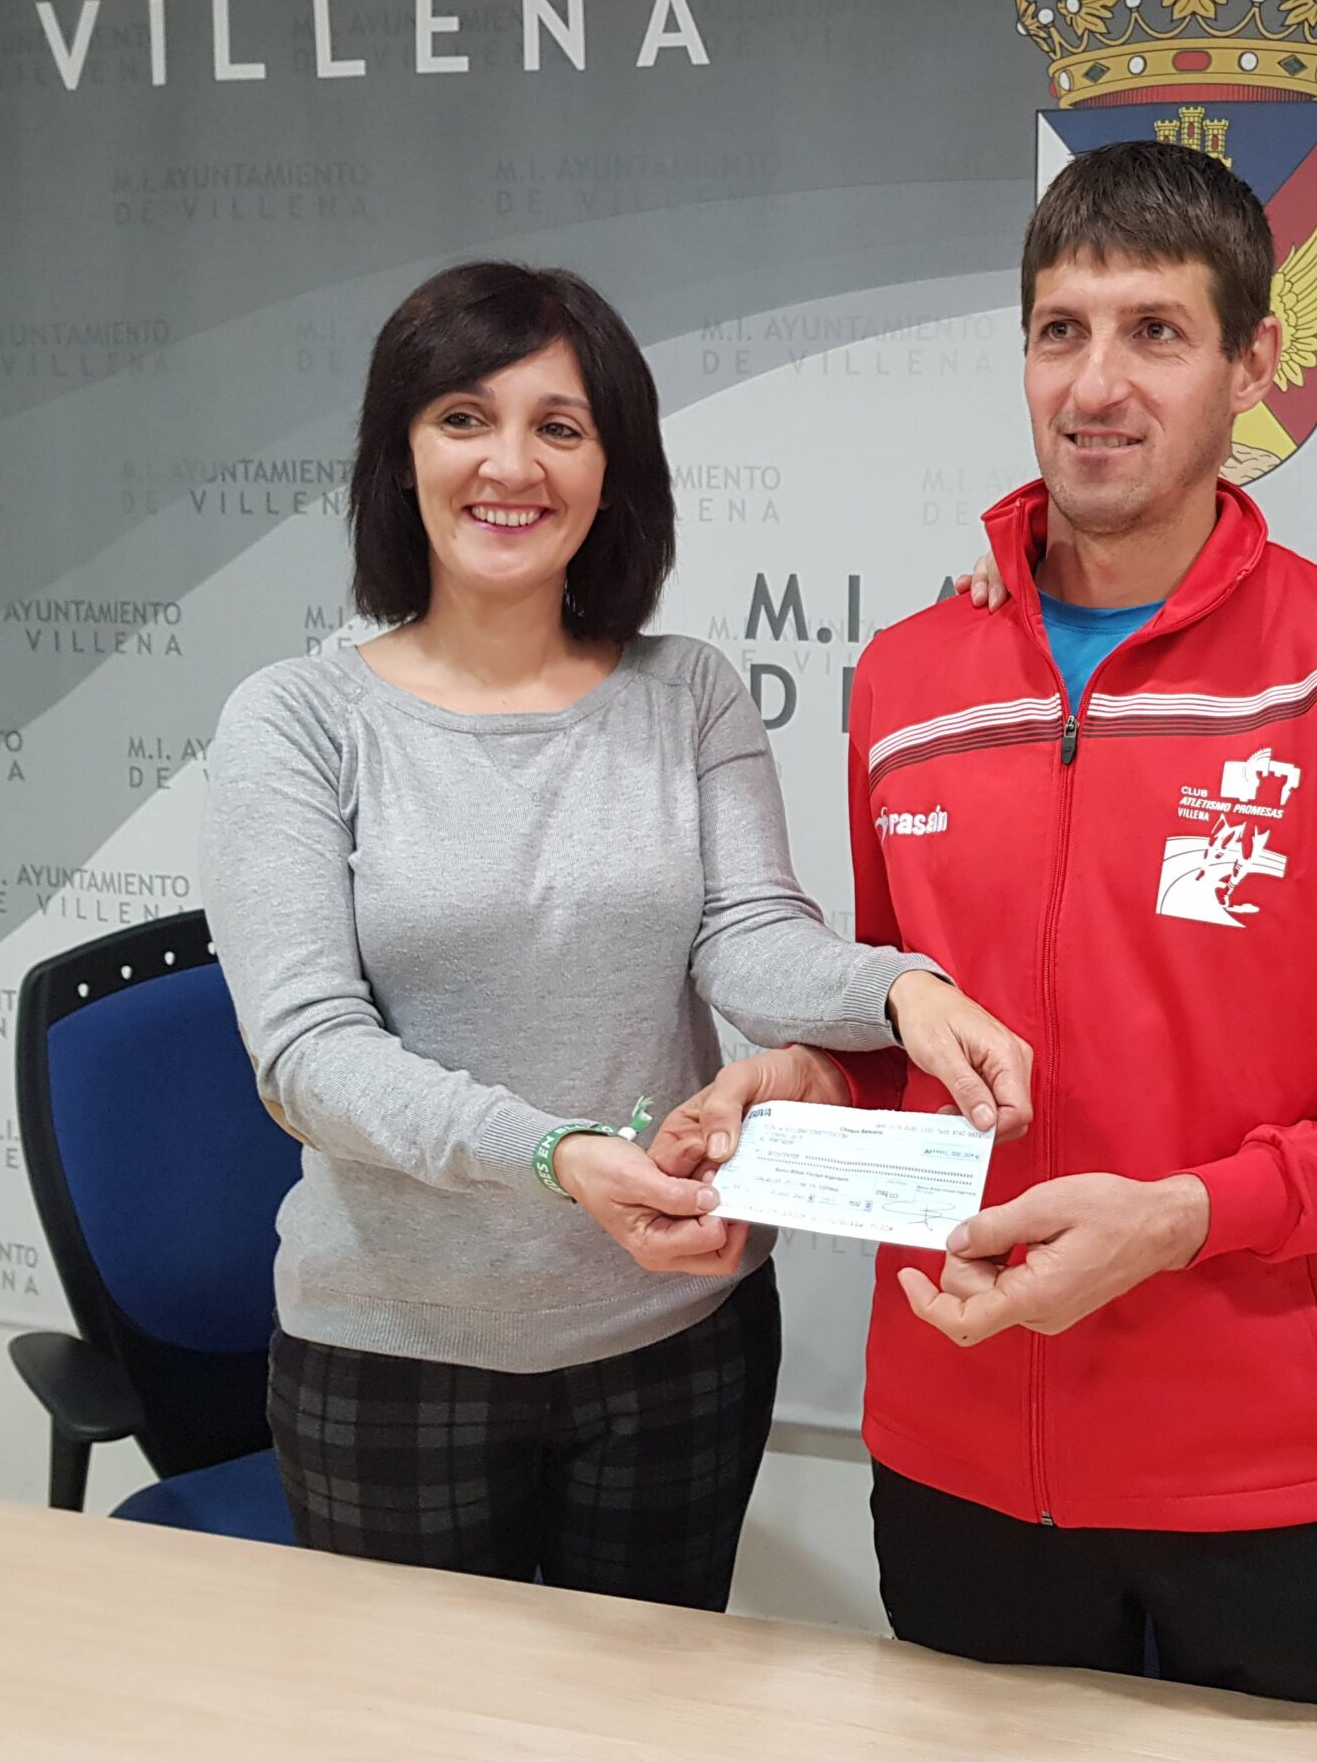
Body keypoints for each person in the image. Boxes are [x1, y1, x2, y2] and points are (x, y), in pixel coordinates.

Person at [664, 142, 1317, 1715]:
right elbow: (908, 1036)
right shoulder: (910, 678)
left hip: (1267, 1473)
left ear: (1254, 365)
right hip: (954, 1447)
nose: (1097, 385)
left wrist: (1188, 1217)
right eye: (1060, 331)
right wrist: (807, 1081)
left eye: (1156, 332)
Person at [202, 260, 1030, 1608]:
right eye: (462, 418)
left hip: (678, 1342)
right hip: (399, 1357)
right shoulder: (298, 721)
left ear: (611, 470)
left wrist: (903, 995)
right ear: (399, 455)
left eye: (559, 426)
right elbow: (308, 1053)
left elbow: (748, 938)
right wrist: (554, 1155)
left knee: (658, 1709)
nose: (509, 465)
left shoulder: (686, 691)